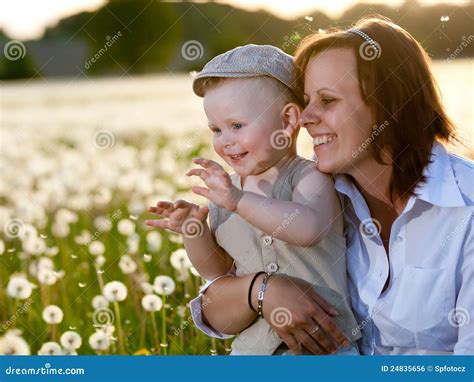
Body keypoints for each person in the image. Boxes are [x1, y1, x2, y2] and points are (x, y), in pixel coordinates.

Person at [189, 16, 474, 355]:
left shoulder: (465, 207)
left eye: (327, 101)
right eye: (306, 100)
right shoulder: (315, 194)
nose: (305, 118)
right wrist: (262, 291)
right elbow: (213, 308)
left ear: (390, 105)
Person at [145, 44, 360, 355]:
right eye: (216, 129)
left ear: (287, 122)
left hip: (325, 349)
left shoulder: (309, 178)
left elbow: (308, 228)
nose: (225, 141)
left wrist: (238, 201)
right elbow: (218, 272)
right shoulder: (225, 194)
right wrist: (194, 231)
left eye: (237, 126)